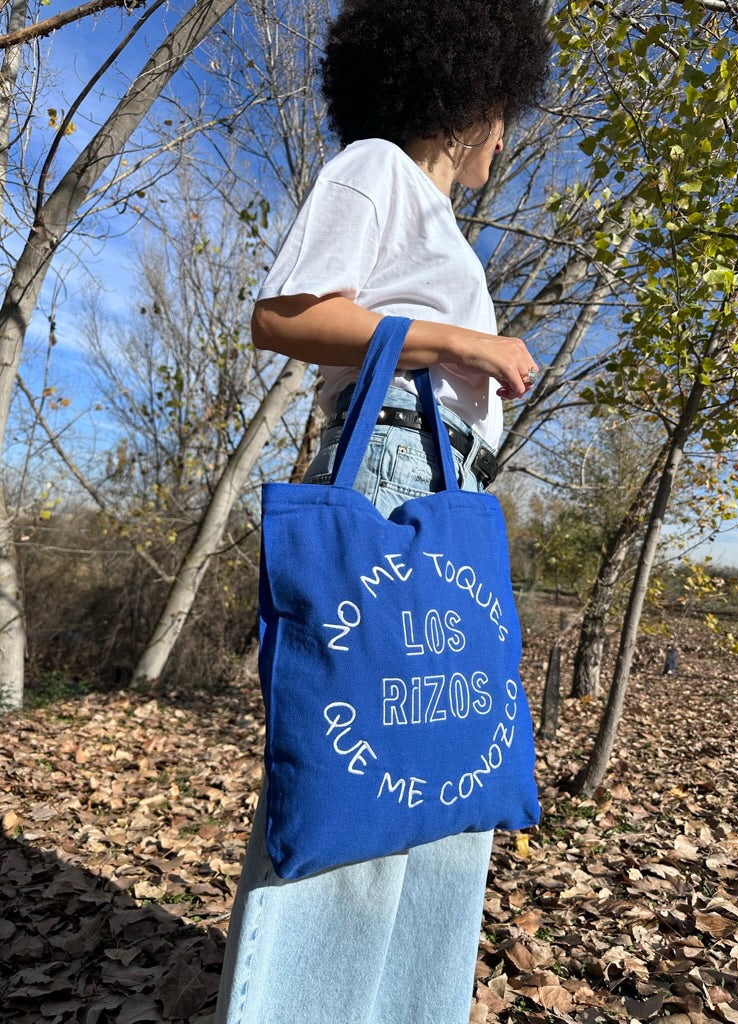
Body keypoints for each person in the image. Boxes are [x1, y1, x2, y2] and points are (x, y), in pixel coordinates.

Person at [214, 2, 550, 1021]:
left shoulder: (436, 214)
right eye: (507, 111)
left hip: (443, 489)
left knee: (444, 774)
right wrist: (464, 343)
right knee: (361, 771)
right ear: (474, 98)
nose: (507, 133)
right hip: (392, 486)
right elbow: (288, 314)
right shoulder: (376, 169)